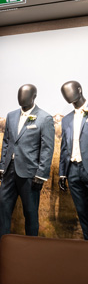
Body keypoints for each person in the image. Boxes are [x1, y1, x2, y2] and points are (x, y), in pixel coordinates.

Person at [0, 84, 54, 246]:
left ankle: (31, 250)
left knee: (30, 212)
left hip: (30, 173)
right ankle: (0, 249)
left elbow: (47, 149)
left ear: (34, 96)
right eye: (19, 94)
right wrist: (2, 166)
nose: (21, 98)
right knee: (2, 208)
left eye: (26, 94)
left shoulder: (44, 118)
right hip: (9, 171)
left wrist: (41, 174)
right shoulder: (11, 116)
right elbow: (6, 142)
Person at [58, 80, 88, 239]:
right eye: (64, 93)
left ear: (79, 89)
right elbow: (64, 147)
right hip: (73, 171)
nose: (67, 95)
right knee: (82, 212)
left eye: (69, 90)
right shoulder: (66, 119)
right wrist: (63, 173)